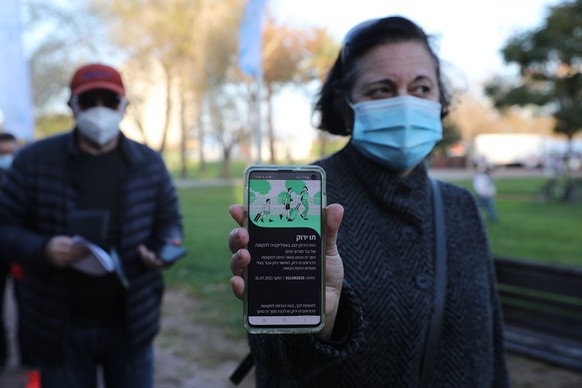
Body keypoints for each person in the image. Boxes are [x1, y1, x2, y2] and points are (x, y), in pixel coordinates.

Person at [228, 16, 509, 387]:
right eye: (381, 89)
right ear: (345, 106)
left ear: (440, 98)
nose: (406, 102)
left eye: (422, 87)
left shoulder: (461, 206)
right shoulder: (298, 198)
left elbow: (490, 345)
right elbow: (278, 362)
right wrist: (320, 324)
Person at [0, 63, 183, 388]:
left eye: (109, 100)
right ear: (72, 105)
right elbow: (5, 228)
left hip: (131, 322)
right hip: (58, 326)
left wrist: (162, 249)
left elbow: (170, 221)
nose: (99, 109)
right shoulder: (33, 161)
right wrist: (43, 249)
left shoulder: (149, 163)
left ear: (124, 106)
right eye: (88, 101)